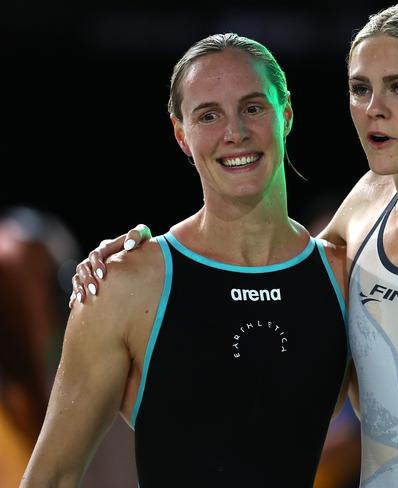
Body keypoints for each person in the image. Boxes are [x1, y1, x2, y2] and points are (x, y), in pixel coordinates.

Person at [65, 10, 398, 488]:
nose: (375, 108)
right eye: (361, 89)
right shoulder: (358, 217)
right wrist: (134, 254)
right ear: (180, 133)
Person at [21, 33, 351, 487]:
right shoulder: (125, 284)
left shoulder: (342, 277)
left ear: (286, 113)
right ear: (181, 133)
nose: (234, 132)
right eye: (208, 115)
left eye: (253, 107)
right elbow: (52, 476)